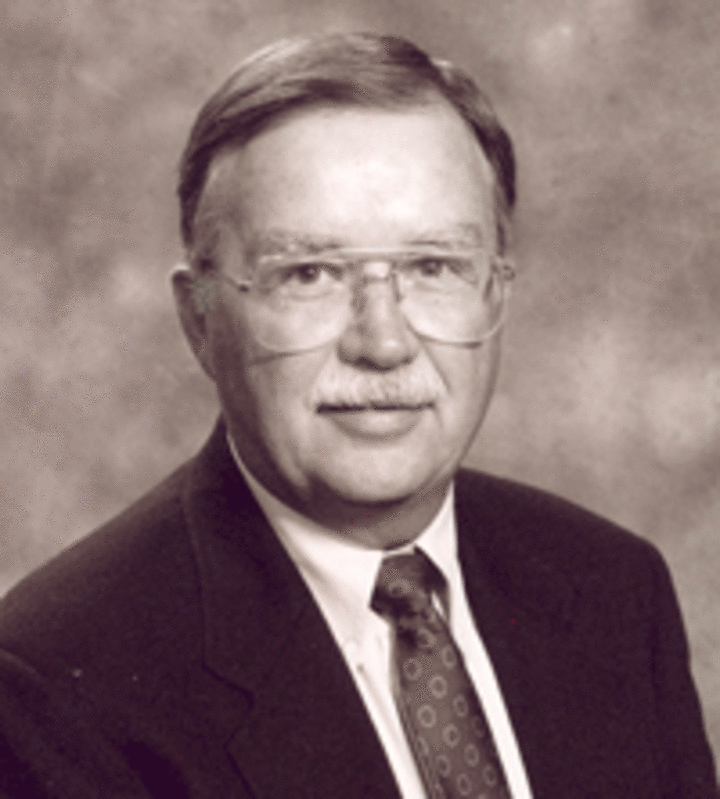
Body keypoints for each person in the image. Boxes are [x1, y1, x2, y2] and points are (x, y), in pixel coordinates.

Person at [0, 32, 716, 799]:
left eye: (433, 266)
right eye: (308, 273)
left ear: (495, 296)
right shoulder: (54, 677)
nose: (383, 341)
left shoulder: (612, 586)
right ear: (199, 319)